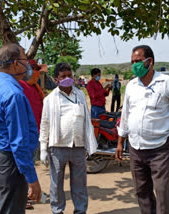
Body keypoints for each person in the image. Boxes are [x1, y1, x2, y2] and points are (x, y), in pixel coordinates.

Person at [115, 45, 169, 214]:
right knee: (141, 191)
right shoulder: (131, 86)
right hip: (136, 148)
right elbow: (126, 114)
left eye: (138, 61)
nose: (134, 65)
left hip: (159, 148)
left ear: (149, 62)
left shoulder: (166, 83)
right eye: (132, 62)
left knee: (161, 191)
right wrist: (120, 142)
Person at [0, 43, 41, 214]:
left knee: (4, 206)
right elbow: (18, 140)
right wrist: (32, 178)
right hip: (11, 160)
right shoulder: (13, 94)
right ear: (16, 62)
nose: (28, 64)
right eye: (25, 59)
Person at [39, 63, 97, 214]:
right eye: (63, 76)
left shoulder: (80, 95)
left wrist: (88, 142)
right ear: (56, 79)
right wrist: (43, 148)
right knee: (56, 183)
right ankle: (57, 211)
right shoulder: (50, 99)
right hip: (58, 147)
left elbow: (86, 119)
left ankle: (80, 210)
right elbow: (44, 123)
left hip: (78, 146)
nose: (67, 79)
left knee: (80, 183)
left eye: (69, 75)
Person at [19, 59, 44, 210]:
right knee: (23, 166)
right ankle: (23, 198)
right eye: (35, 69)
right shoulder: (21, 87)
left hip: (36, 132)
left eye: (38, 69)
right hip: (25, 134)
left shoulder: (35, 87)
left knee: (30, 164)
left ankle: (28, 192)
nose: (37, 72)